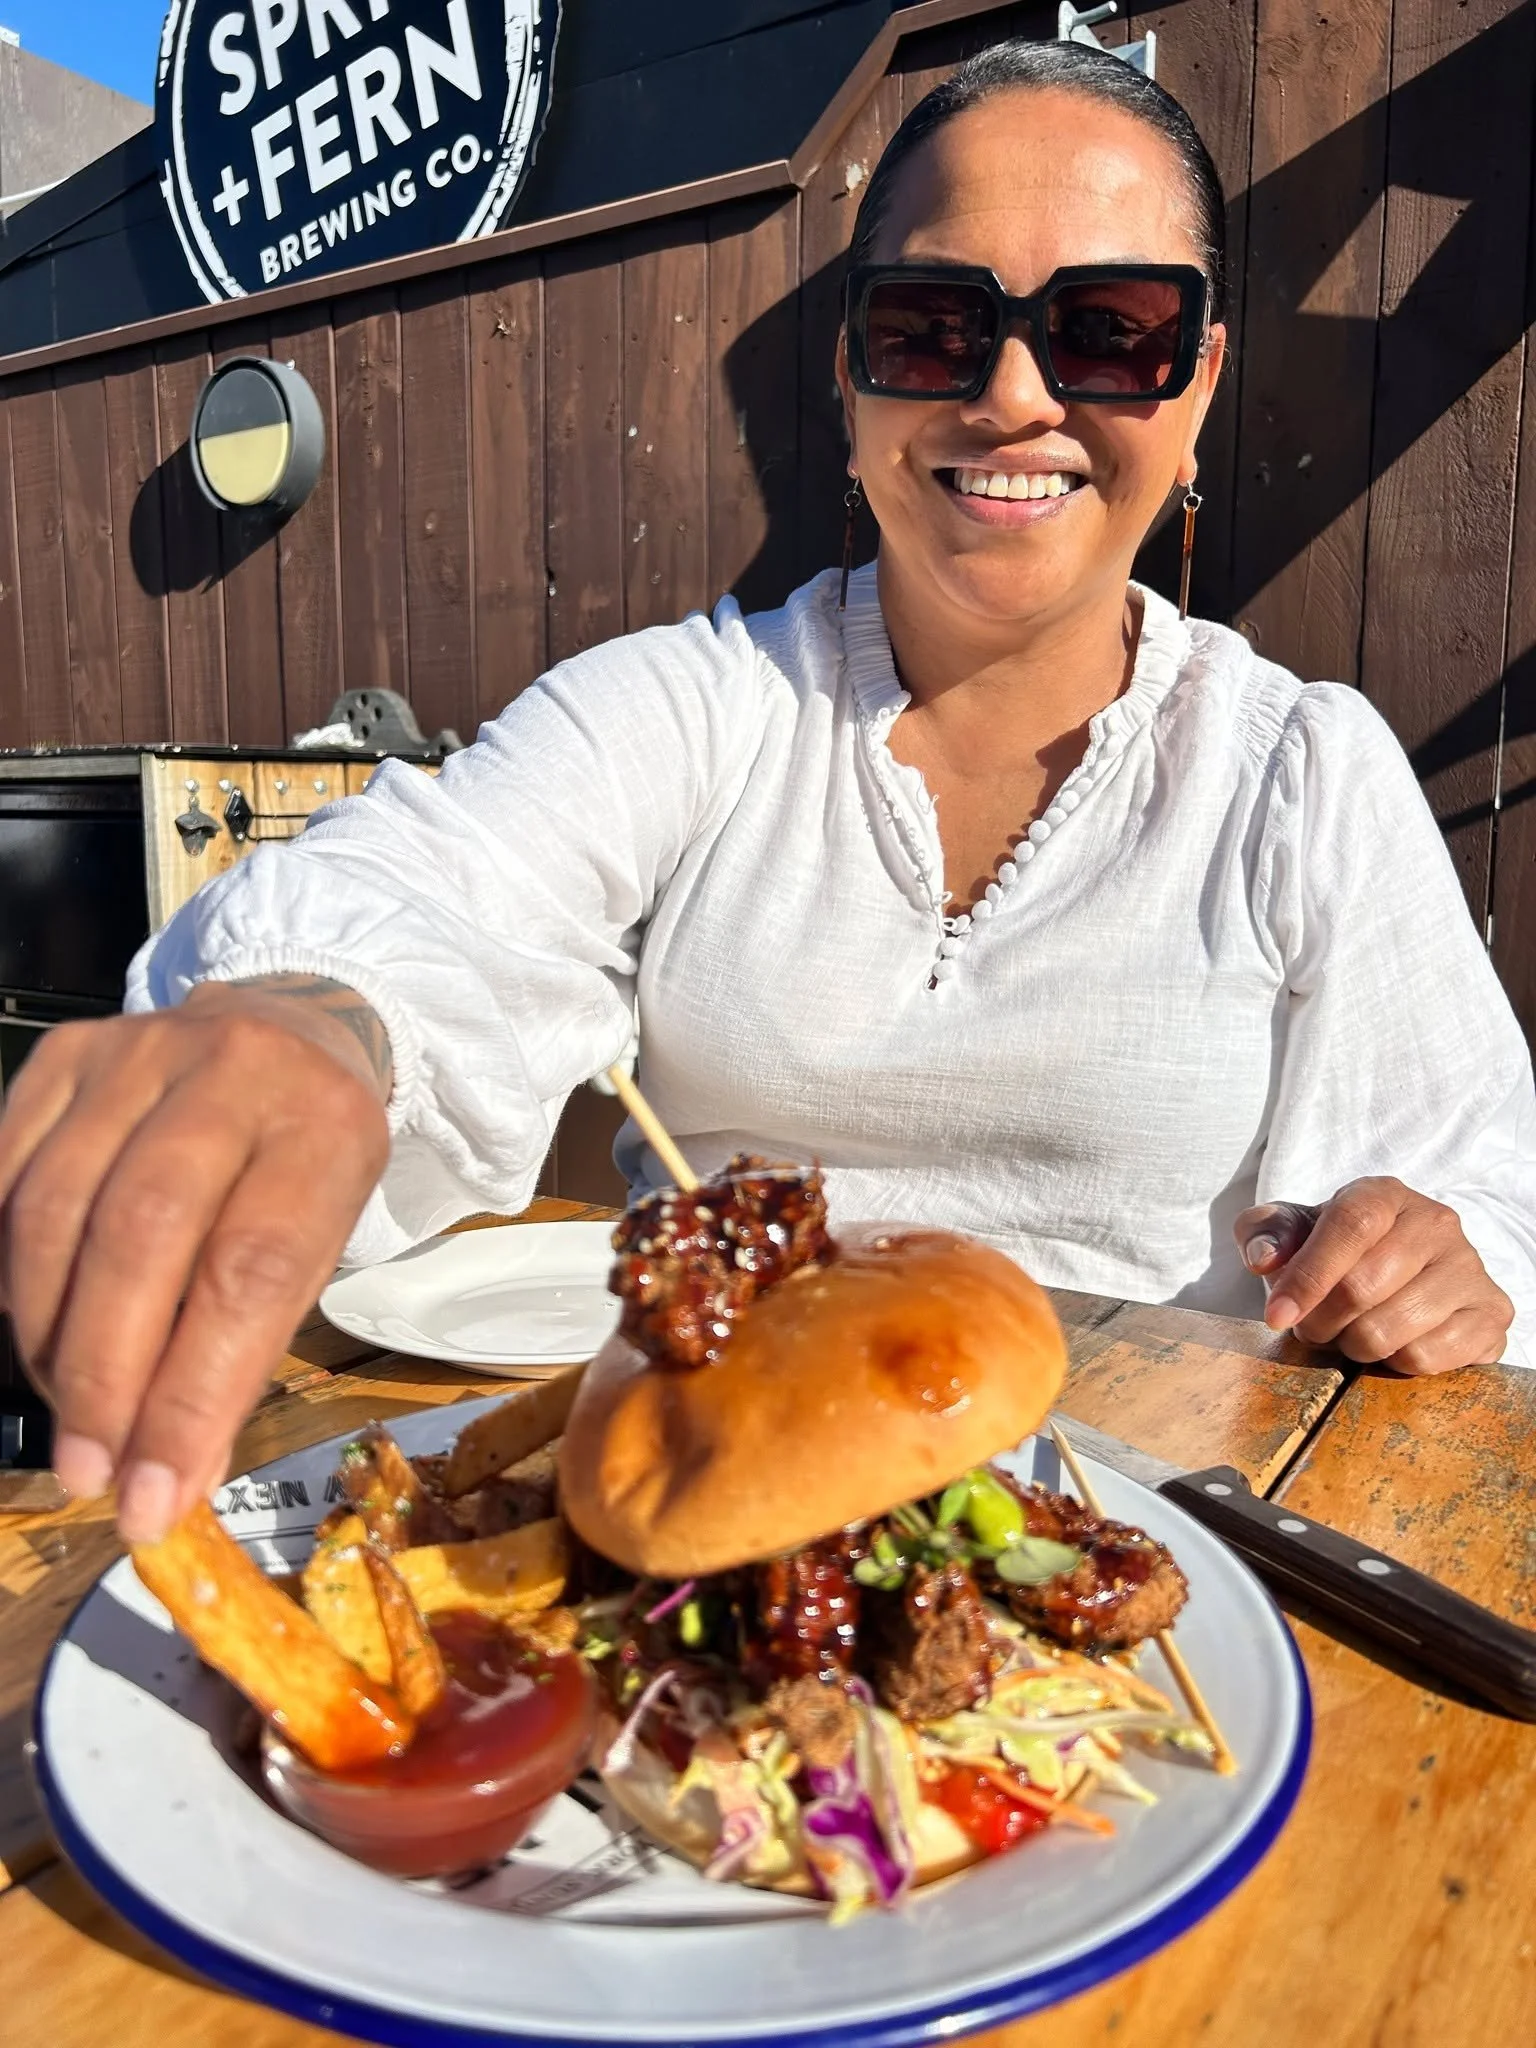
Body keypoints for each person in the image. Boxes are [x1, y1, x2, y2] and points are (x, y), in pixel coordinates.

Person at [2, 42, 1532, 1548]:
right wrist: (309, 1021)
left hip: (1136, 1528)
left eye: (1109, 329)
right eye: (936, 325)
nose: (1013, 394)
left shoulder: (1300, 773)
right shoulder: (708, 705)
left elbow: (1482, 1210)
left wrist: (1437, 1268)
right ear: (854, 381)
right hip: (701, 1494)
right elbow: (436, 890)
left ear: (1195, 385)